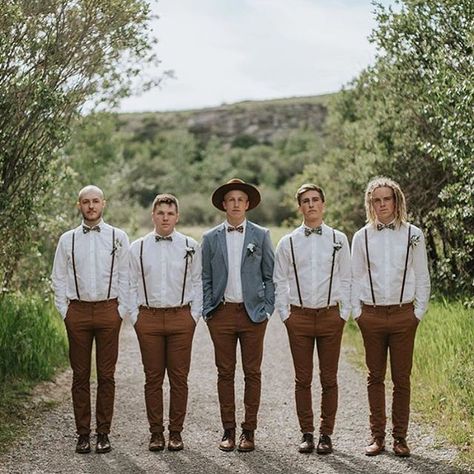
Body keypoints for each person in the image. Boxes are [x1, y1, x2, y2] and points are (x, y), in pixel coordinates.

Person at [351, 176, 430, 457]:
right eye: (377, 200)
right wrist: (358, 313)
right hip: (370, 315)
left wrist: (417, 313)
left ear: (396, 201)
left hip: (403, 316)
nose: (382, 204)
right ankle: (377, 437)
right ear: (370, 203)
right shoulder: (361, 237)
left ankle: (400, 438)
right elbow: (354, 277)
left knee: (402, 378)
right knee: (374, 377)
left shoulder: (414, 234)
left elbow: (422, 276)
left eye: (387, 199)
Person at [273, 183, 351, 455]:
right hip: (300, 317)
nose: (311, 204)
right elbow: (279, 280)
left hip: (331, 316)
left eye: (315, 199)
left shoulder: (339, 239)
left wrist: (344, 313)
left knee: (329, 379)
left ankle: (326, 434)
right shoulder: (288, 242)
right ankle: (306, 433)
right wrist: (285, 315)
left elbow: (347, 277)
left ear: (323, 204)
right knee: (302, 378)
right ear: (300, 207)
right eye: (305, 201)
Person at [51, 185, 129, 454]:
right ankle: (83, 434)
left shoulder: (119, 237)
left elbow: (126, 275)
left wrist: (121, 310)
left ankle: (103, 433)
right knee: (80, 375)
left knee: (106, 375)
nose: (91, 206)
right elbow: (58, 277)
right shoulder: (67, 239)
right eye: (86, 202)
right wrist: (65, 311)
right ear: (79, 205)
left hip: (109, 311)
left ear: (103, 204)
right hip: (78, 312)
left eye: (95, 201)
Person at [201, 178, 275, 452]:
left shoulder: (261, 235)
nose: (235, 204)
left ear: (247, 204)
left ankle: (249, 431)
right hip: (221, 314)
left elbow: (270, 275)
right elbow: (205, 277)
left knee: (252, 372)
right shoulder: (210, 238)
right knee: (225, 372)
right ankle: (228, 429)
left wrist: (267, 308)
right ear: (224, 204)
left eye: (240, 199)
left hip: (253, 314)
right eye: (230, 199)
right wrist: (208, 311)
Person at [129, 194, 202, 452]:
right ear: (153, 216)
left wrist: (194, 316)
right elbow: (129, 283)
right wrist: (135, 317)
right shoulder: (136, 247)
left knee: (179, 378)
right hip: (147, 317)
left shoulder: (190, 245)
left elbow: (198, 282)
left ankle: (176, 433)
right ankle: (156, 433)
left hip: (181, 317)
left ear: (177, 216)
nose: (165, 218)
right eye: (161, 213)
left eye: (170, 213)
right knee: (153, 378)